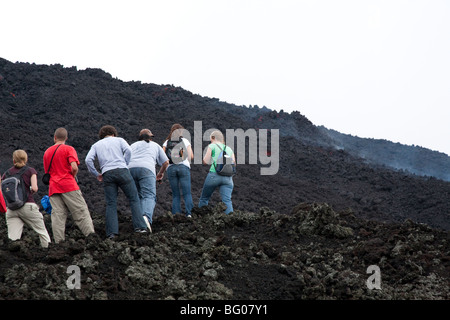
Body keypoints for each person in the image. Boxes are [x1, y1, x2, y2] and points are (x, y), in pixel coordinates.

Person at [85, 125, 148, 238]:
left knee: (111, 203)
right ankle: (140, 228)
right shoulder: (119, 140)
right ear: (113, 133)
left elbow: (88, 160)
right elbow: (128, 150)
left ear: (101, 135)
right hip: (122, 171)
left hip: (107, 174)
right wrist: (125, 163)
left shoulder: (96, 145)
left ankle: (112, 233)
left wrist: (96, 174)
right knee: (134, 199)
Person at [43, 128, 95, 243]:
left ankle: (59, 243)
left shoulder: (47, 152)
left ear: (54, 138)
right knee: (81, 212)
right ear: (66, 138)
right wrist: (73, 175)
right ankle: (91, 238)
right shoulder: (68, 149)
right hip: (68, 185)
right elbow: (74, 167)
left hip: (53, 188)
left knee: (58, 216)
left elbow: (48, 172)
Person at [1, 150, 51, 248]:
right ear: (26, 159)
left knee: (12, 239)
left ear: (13, 160)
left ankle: (13, 260)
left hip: (11, 210)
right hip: (27, 206)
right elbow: (35, 188)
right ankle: (49, 252)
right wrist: (30, 191)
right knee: (42, 232)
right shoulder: (30, 171)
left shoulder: (6, 174)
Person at [129, 129, 169, 230]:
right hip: (147, 170)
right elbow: (166, 162)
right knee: (148, 196)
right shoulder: (155, 145)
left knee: (136, 198)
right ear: (150, 137)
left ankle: (138, 225)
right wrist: (160, 173)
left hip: (130, 170)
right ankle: (146, 217)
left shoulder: (132, 145)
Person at [198, 130, 236, 214]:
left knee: (204, 198)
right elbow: (234, 164)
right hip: (228, 178)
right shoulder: (229, 149)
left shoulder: (212, 146)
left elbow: (205, 161)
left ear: (213, 138)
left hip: (214, 175)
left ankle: (200, 219)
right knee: (227, 200)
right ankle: (231, 220)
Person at [162, 124, 194, 218]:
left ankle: (176, 215)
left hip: (171, 168)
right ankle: (189, 214)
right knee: (187, 193)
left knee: (176, 194)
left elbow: (163, 157)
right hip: (183, 167)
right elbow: (191, 156)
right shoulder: (184, 140)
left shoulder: (167, 142)